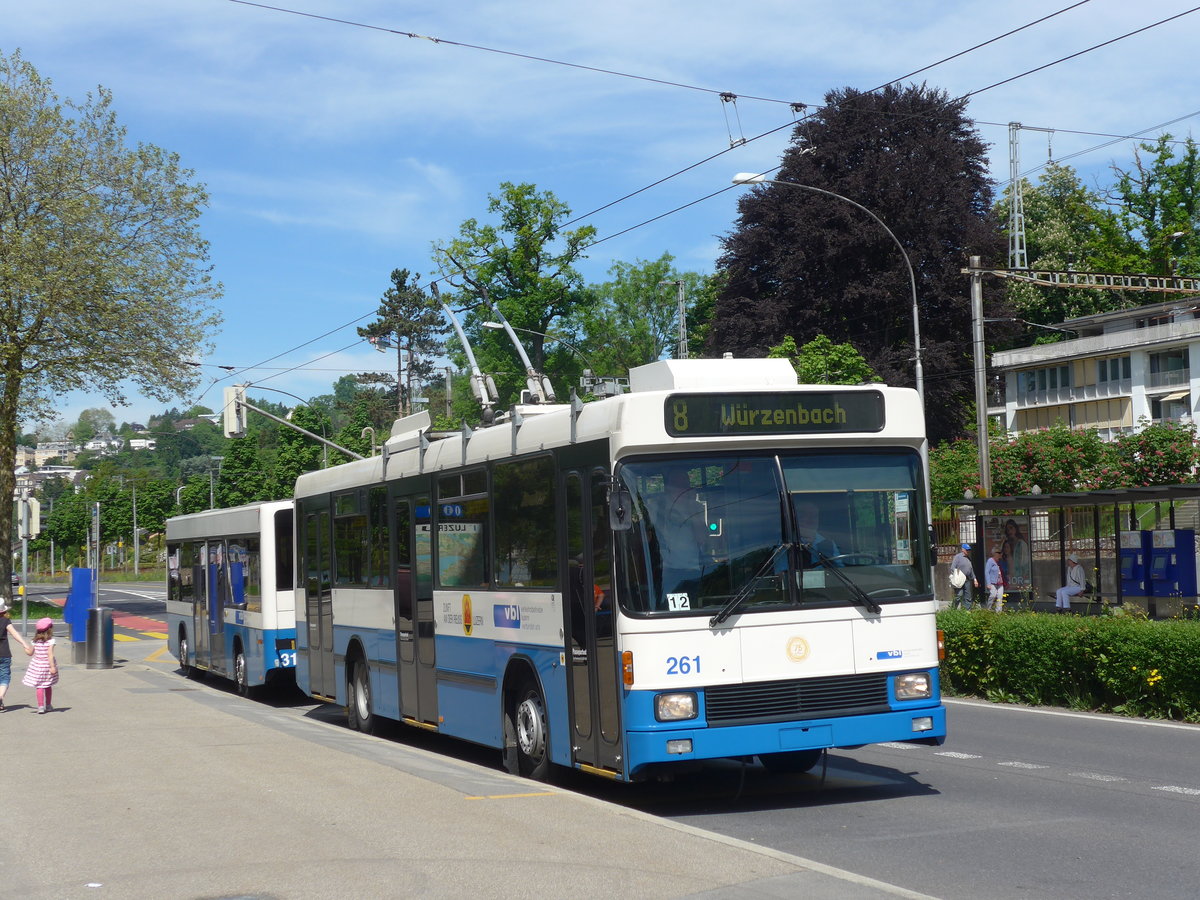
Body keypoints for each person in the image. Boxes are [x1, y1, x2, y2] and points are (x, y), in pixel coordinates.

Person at [0, 600, 34, 711]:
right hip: (4, 654)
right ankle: (0, 697)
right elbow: (14, 633)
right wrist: (25, 644)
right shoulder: (5, 621)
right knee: (4, 678)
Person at [22, 617, 59, 714]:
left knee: (39, 686)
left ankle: (40, 707)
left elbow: (30, 653)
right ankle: (48, 705)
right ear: (50, 629)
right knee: (48, 685)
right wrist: (52, 667)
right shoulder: (51, 641)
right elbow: (50, 655)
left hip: (37, 666)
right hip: (47, 666)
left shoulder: (34, 641)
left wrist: (25, 648)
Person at [794, 499, 841, 566]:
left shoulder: (828, 543)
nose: (811, 520)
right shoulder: (786, 544)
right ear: (796, 519)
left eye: (814, 516)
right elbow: (783, 570)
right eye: (804, 516)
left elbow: (841, 568)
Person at [1002, 519, 1031, 590]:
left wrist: (1023, 580)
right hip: (1010, 579)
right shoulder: (1008, 543)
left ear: (1015, 528)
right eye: (1007, 530)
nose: (1009, 531)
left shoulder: (1021, 544)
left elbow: (1025, 564)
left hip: (1019, 578)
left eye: (1011, 528)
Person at [950, 543, 978, 608]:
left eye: (969, 550)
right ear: (962, 549)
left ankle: (967, 611)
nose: (968, 551)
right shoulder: (958, 557)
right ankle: (953, 609)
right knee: (959, 595)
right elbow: (952, 568)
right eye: (967, 550)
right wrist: (958, 575)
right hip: (959, 580)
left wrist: (975, 579)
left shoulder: (968, 558)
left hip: (967, 579)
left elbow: (971, 570)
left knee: (968, 596)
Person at [984, 546, 1006, 612]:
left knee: (1000, 597)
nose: (1000, 554)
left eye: (1000, 552)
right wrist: (988, 583)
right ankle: (988, 609)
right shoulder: (990, 561)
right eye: (998, 552)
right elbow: (987, 572)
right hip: (993, 583)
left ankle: (998, 612)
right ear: (994, 553)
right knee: (993, 595)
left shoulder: (1000, 561)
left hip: (1000, 583)